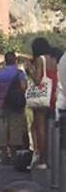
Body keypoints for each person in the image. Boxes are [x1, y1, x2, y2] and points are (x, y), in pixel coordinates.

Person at [26, 38, 59, 169]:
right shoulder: (53, 59)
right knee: (48, 126)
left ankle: (42, 159)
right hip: (53, 94)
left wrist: (29, 70)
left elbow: (38, 80)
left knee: (40, 127)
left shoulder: (41, 59)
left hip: (42, 97)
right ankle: (48, 156)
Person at [0, 52, 28, 164]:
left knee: (3, 130)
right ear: (15, 61)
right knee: (15, 131)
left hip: (2, 106)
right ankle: (13, 156)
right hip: (16, 106)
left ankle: (4, 155)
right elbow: (23, 87)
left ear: (5, 62)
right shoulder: (19, 73)